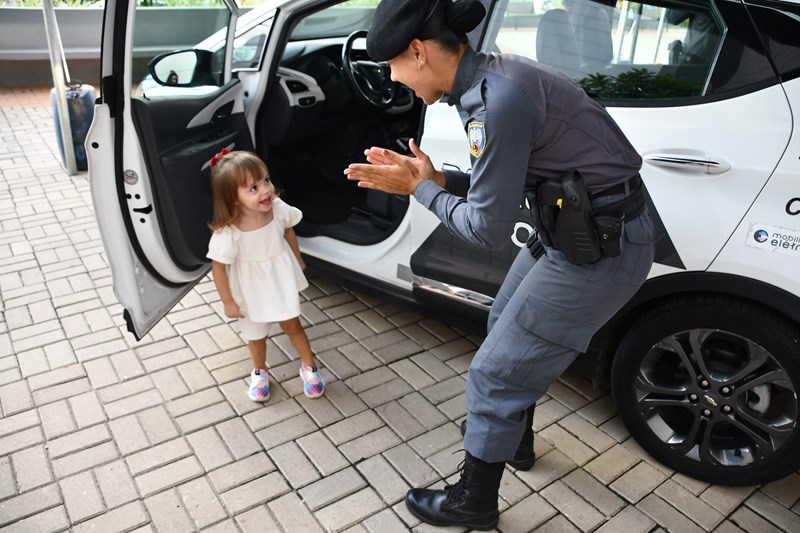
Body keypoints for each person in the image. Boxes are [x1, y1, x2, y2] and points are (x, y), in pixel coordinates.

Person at [344, 0, 655, 529]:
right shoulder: (491, 80)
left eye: (392, 66)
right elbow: (500, 189)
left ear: (417, 52)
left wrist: (416, 188)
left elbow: (485, 231)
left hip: (602, 247)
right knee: (501, 323)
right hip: (572, 228)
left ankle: (475, 503)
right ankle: (516, 441)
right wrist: (438, 181)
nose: (393, 79)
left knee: (493, 372)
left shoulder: (496, 102)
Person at [207, 150, 325, 402]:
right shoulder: (229, 232)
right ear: (233, 199)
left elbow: (288, 232)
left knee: (292, 324)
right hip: (249, 290)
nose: (265, 190)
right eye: (252, 188)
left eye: (266, 181)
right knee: (256, 334)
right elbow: (218, 267)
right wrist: (228, 301)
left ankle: (309, 367)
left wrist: (298, 258)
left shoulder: (279, 210)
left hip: (279, 280)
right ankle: (260, 372)